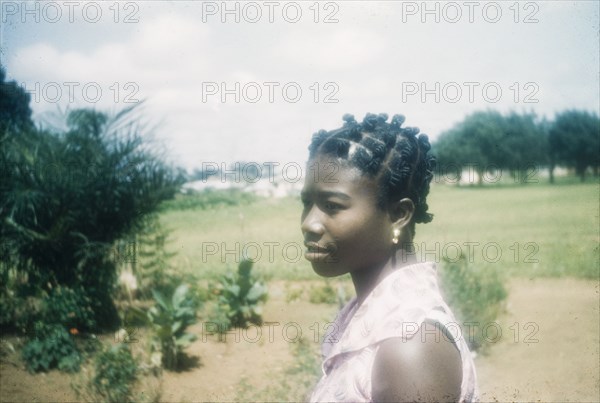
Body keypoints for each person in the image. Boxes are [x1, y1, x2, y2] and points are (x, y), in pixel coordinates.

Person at [301, 113, 479, 402]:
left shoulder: (409, 348)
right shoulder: (375, 317)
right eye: (307, 203)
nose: (309, 223)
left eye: (332, 205)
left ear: (398, 215)